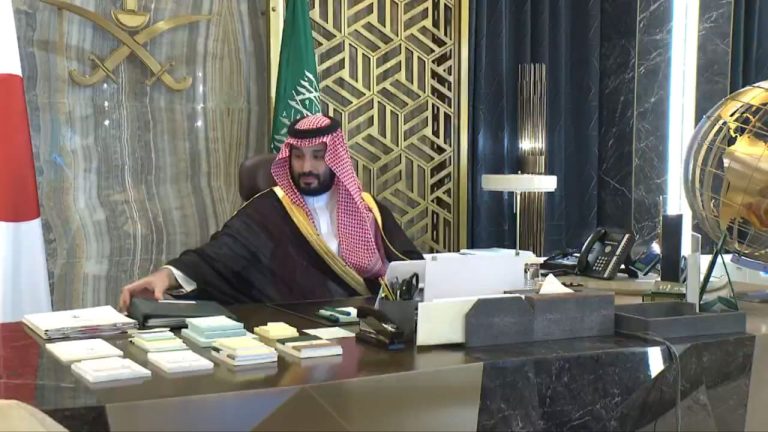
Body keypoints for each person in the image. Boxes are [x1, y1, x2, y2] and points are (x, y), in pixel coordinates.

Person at [119, 114, 422, 310]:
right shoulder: (268, 210)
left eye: (317, 157)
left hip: (368, 335)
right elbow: (214, 258)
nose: (306, 167)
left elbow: (411, 269)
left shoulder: (369, 210)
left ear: (336, 158)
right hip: (295, 338)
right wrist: (165, 276)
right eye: (298, 156)